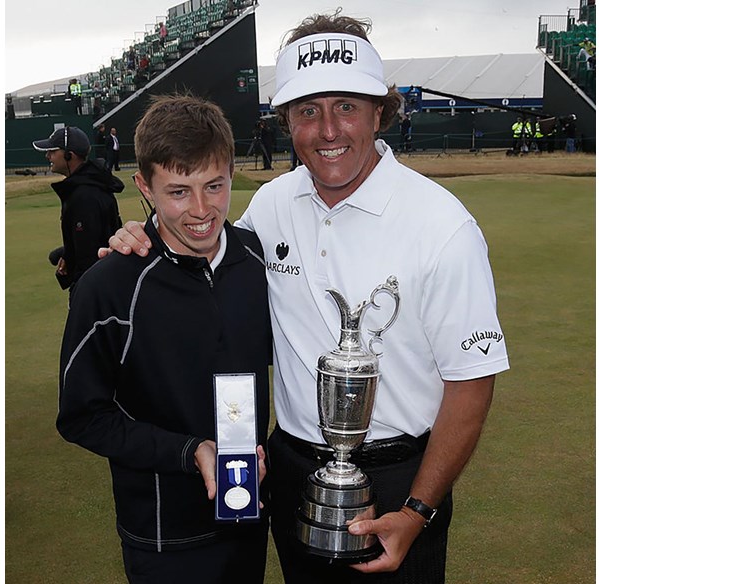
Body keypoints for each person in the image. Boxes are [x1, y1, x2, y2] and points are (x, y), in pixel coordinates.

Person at [105, 10, 509, 584]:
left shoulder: (442, 226)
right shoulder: (272, 204)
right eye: (307, 111)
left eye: (346, 106)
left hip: (399, 480)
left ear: (379, 112)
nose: (328, 130)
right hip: (292, 473)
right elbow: (201, 247)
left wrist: (419, 509)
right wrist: (141, 232)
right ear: (287, 121)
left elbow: (472, 379)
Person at [57, 94, 272, 583]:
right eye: (178, 191)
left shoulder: (258, 262)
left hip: (248, 522)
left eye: (214, 186)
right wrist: (189, 450)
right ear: (145, 187)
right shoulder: (109, 286)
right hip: (162, 540)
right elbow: (82, 417)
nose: (201, 210)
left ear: (232, 173)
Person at [32, 126, 124, 302]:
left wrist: (80, 297)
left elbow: (89, 255)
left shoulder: (84, 196)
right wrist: (68, 254)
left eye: (52, 151)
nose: (48, 156)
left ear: (69, 155)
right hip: (104, 285)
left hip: (95, 292)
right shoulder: (86, 188)